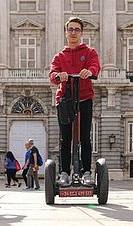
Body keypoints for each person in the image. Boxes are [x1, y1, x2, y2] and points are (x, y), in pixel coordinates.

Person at [49, 16, 101, 187]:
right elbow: (52, 74)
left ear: (81, 33)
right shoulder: (59, 56)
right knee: (66, 138)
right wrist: (58, 76)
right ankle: (64, 172)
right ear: (66, 32)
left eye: (76, 29)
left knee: (85, 136)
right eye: (70, 29)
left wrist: (89, 71)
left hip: (85, 98)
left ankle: (86, 172)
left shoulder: (89, 52)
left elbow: (95, 66)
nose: (73, 33)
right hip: (65, 100)